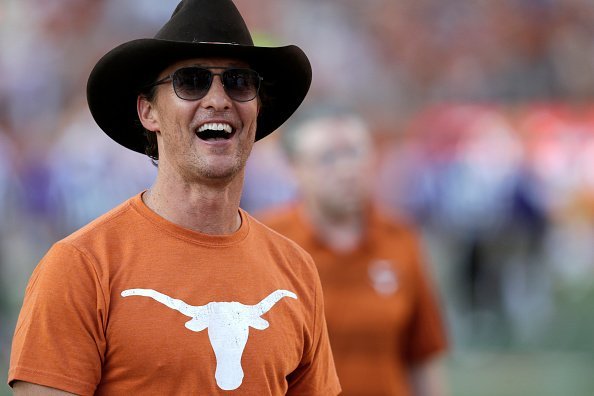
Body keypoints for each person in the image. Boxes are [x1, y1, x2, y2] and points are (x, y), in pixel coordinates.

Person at [7, 1, 341, 394]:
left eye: (239, 82)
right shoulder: (82, 266)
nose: (218, 99)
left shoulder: (295, 270)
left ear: (257, 110)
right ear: (148, 112)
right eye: (192, 80)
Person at [259, 106, 448, 396]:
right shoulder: (266, 243)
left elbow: (422, 357)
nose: (346, 169)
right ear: (294, 168)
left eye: (355, 152)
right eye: (328, 158)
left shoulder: (401, 240)